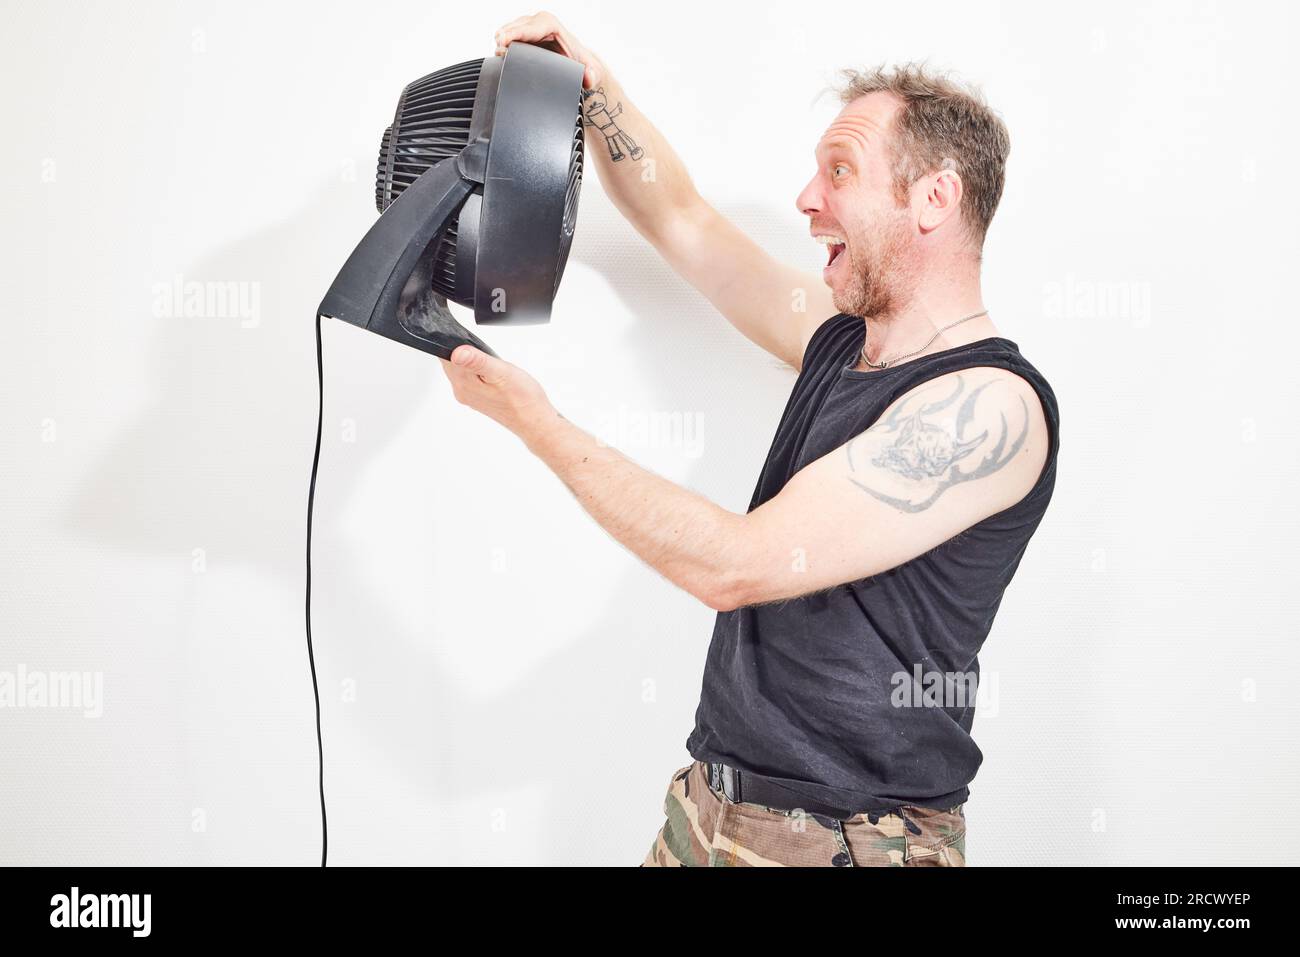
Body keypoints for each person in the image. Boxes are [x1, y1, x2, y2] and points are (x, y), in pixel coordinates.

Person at [439, 11, 1060, 867]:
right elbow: (685, 220)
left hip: (849, 843)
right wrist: (597, 96)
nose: (808, 199)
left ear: (935, 198)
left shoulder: (991, 407)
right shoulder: (842, 339)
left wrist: (534, 423)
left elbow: (736, 563)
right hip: (708, 807)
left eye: (839, 171)